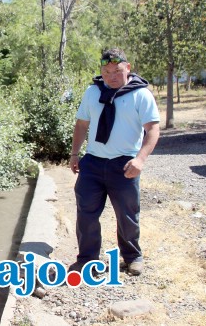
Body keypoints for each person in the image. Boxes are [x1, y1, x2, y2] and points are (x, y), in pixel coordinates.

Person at [68, 48, 160, 276]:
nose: (112, 76)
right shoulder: (92, 92)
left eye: (117, 70)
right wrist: (74, 153)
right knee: (86, 212)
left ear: (127, 68)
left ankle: (132, 257)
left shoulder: (141, 94)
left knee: (127, 214)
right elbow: (81, 124)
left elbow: (153, 129)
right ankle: (87, 259)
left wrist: (140, 159)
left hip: (125, 164)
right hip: (93, 163)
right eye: (107, 71)